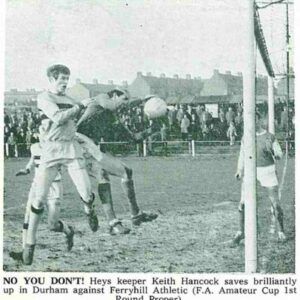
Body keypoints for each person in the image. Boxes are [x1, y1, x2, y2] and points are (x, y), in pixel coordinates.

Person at [20, 64, 100, 265]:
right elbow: (58, 117)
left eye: (67, 78)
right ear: (51, 80)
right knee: (38, 200)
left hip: (70, 148)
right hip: (51, 150)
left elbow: (75, 120)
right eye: (61, 79)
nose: (65, 82)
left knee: (86, 191)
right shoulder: (44, 97)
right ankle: (30, 244)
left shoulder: (70, 100)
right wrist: (80, 106)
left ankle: (89, 209)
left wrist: (89, 109)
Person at [76, 91, 158, 235]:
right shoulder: (102, 98)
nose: (125, 103)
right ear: (114, 95)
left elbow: (134, 138)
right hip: (78, 143)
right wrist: (141, 100)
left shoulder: (114, 118)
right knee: (102, 176)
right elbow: (112, 106)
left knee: (126, 171)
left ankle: (136, 214)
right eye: (124, 99)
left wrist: (152, 130)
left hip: (93, 147)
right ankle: (112, 223)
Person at [9, 142, 74, 262]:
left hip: (54, 185)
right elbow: (33, 160)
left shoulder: (58, 147)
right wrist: (27, 169)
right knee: (28, 218)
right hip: (37, 186)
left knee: (52, 225)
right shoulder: (35, 147)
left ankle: (68, 231)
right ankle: (25, 252)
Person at [231, 112, 287, 247]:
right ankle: (241, 231)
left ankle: (281, 231)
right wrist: (239, 170)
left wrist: (273, 152)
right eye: (247, 120)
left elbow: (280, 154)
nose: (251, 123)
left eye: (253, 120)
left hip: (267, 171)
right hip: (251, 172)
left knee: (275, 203)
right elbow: (242, 155)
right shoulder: (246, 137)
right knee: (243, 203)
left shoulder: (269, 137)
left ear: (259, 120)